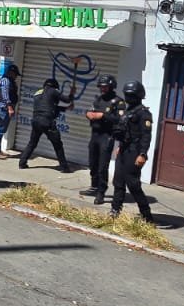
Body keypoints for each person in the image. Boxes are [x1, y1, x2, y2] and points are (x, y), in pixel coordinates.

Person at [108, 81, 154, 221]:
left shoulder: (143, 113)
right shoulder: (128, 111)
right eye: (127, 95)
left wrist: (143, 154)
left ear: (138, 96)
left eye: (131, 95)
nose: (128, 97)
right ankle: (115, 210)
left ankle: (146, 215)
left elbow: (146, 136)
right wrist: (119, 147)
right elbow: (125, 131)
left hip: (135, 152)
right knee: (118, 182)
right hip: (124, 150)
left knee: (133, 184)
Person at [80, 75, 124, 205]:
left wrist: (103, 116)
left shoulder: (118, 102)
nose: (103, 89)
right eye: (101, 87)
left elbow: (120, 120)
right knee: (92, 163)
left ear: (111, 86)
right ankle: (94, 186)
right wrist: (88, 114)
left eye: (105, 86)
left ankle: (101, 192)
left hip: (107, 136)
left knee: (102, 166)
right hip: (95, 135)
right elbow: (90, 110)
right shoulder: (98, 100)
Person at [17, 77, 73, 172]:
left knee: (32, 143)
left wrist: (66, 109)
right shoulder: (53, 91)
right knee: (58, 144)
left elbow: (48, 106)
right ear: (55, 86)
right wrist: (72, 93)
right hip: (47, 122)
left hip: (36, 121)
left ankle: (22, 163)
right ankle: (64, 167)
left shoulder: (37, 93)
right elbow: (67, 100)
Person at [0, 63, 20, 158]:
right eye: (15, 74)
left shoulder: (9, 81)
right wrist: (10, 107)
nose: (16, 77)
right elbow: (5, 96)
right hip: (3, 109)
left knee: (2, 130)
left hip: (6, 108)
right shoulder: (5, 81)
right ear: (11, 73)